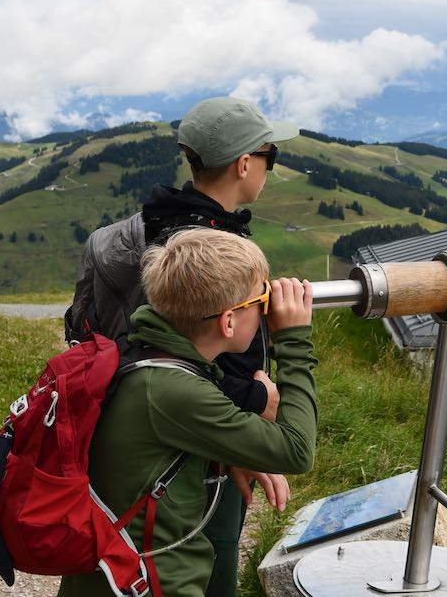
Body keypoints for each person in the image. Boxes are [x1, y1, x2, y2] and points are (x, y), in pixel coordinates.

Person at [64, 96, 298, 595]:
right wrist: (259, 404)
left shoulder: (136, 230)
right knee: (198, 563)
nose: (268, 167)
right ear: (243, 164)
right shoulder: (213, 257)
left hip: (128, 444)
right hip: (199, 454)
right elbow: (201, 360)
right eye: (269, 156)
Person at [58, 228, 317, 597]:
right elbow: (296, 450)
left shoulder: (146, 354)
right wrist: (293, 340)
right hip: (147, 584)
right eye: (260, 301)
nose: (266, 311)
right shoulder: (174, 390)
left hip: (108, 577)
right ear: (228, 323)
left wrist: (230, 452)